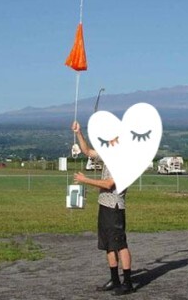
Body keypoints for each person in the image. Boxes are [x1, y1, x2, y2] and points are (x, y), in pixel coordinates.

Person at [71, 120, 135, 295]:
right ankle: (115, 281)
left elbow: (108, 184)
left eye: (113, 138)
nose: (109, 141)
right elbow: (87, 152)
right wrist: (79, 132)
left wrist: (85, 180)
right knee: (108, 245)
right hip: (104, 206)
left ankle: (127, 283)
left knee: (120, 244)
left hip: (115, 207)